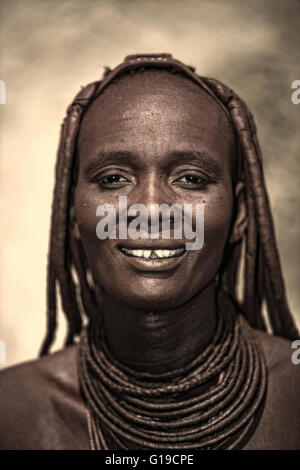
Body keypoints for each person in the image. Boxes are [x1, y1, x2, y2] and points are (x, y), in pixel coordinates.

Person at [0, 53, 299, 450]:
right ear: (72, 212)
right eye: (114, 179)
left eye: (191, 179)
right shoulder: (11, 411)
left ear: (240, 214)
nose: (152, 208)